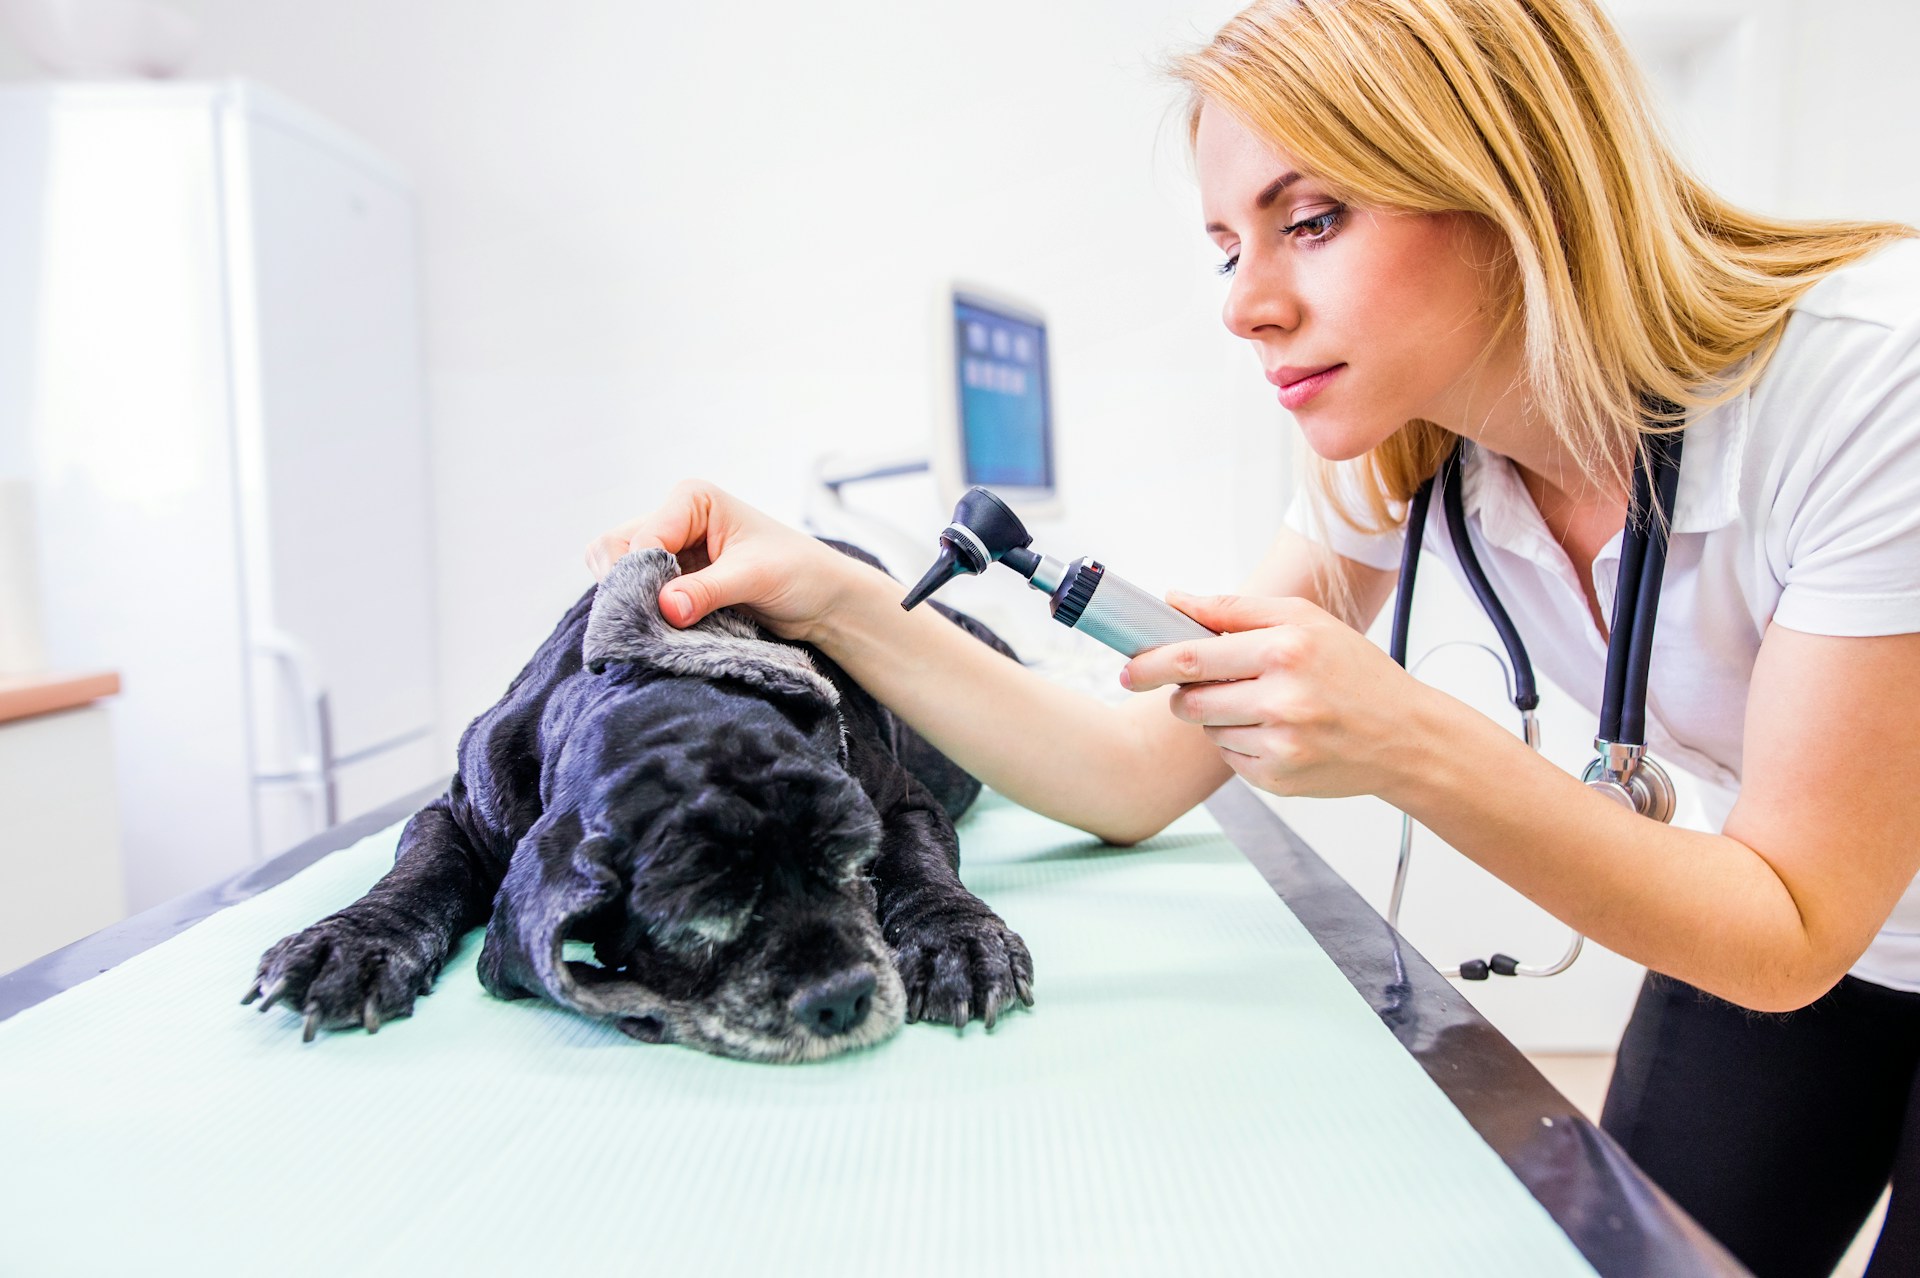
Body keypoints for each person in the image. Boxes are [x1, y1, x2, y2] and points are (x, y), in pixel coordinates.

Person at [586, 2, 1920, 1272]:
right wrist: (825, 590)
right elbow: (1133, 768)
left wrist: (1403, 741)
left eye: (1315, 220)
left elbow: (1791, 923)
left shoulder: (1873, 381)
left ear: (1514, 176)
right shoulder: (1405, 449)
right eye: (1231, 244)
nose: (1245, 305)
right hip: (1785, 918)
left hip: (1795, 912)